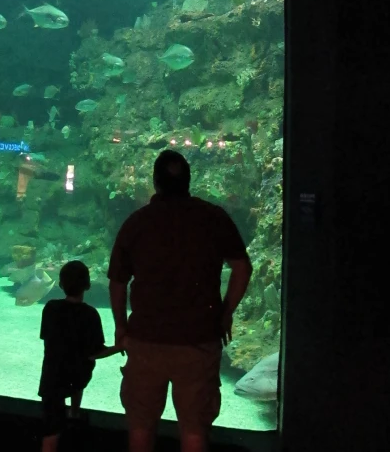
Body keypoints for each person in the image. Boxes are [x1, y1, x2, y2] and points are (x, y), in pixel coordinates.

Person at [107, 149, 253, 452]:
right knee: (195, 429)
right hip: (198, 341)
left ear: (155, 182)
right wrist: (225, 313)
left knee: (140, 426)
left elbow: (118, 282)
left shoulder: (136, 222)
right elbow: (242, 267)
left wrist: (121, 328)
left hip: (146, 341)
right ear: (189, 180)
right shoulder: (213, 217)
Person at [38, 260, 121, 452]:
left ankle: (73, 414)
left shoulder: (50, 308)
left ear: (60, 284)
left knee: (50, 432)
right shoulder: (90, 314)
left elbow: (48, 340)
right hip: (76, 377)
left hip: (51, 380)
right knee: (80, 371)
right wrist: (119, 347)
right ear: (88, 285)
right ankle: (74, 413)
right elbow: (95, 352)